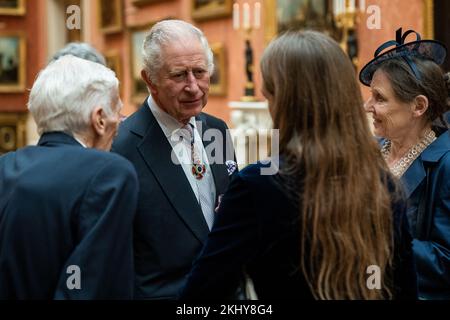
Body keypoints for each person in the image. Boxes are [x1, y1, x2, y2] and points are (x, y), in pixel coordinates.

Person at [179, 31, 417, 300]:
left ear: (283, 101)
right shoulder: (383, 183)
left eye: (269, 95)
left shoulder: (258, 185)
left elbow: (197, 301)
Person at [112, 19, 237, 299]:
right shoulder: (121, 148)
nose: (193, 86)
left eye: (200, 72)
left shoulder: (217, 129)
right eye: (179, 75)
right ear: (149, 80)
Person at [0, 55, 139, 299]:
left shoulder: (5, 166)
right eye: (118, 111)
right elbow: (95, 286)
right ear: (99, 119)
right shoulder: (110, 174)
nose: (120, 121)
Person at [359, 28, 450, 299]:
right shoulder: (369, 151)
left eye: (380, 98)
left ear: (418, 106)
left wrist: (376, 234)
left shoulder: (445, 164)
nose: (367, 106)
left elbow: (445, 260)